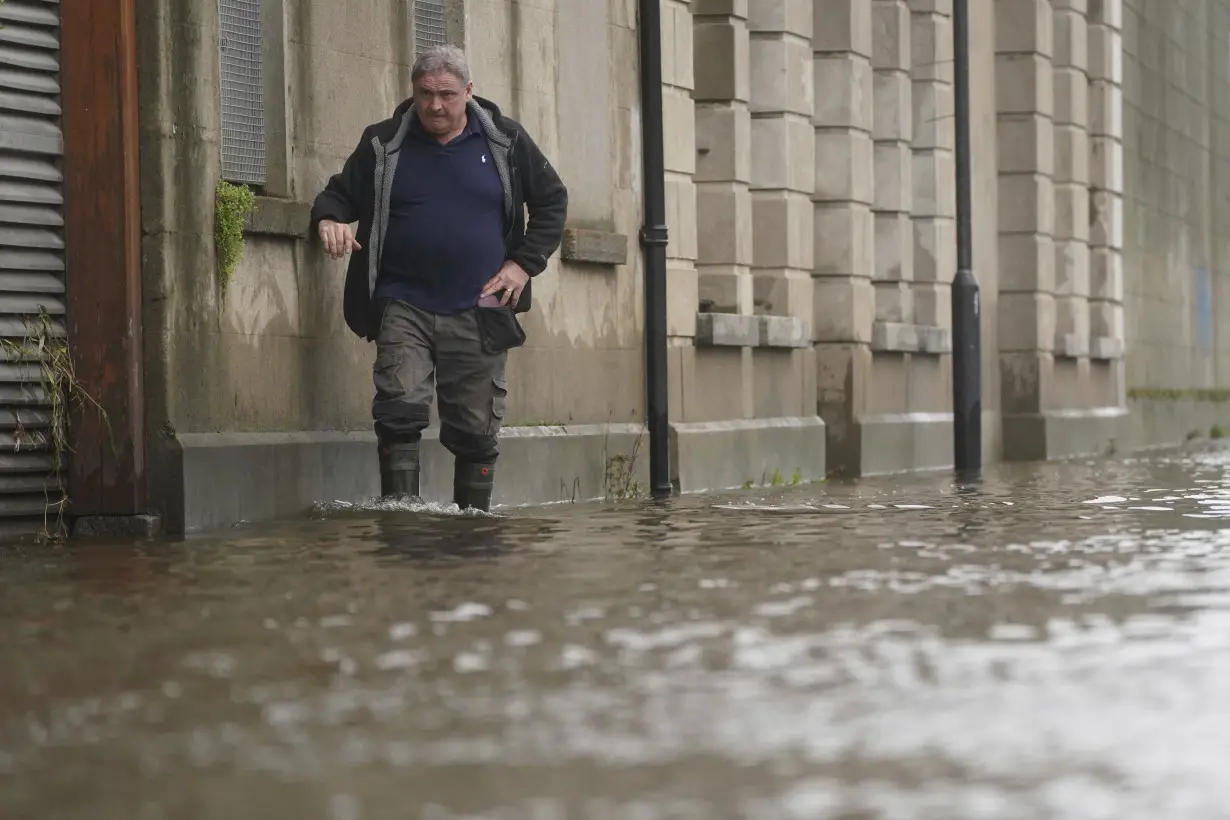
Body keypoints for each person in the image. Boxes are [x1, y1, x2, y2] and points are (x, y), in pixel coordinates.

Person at [310, 45, 568, 512]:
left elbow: (552, 200)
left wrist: (523, 264)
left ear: (469, 92)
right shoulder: (382, 143)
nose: (434, 105)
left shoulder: (506, 142)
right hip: (402, 300)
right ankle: (401, 520)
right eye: (425, 93)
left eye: (447, 94)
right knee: (399, 408)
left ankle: (471, 531)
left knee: (475, 429)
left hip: (482, 305)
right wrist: (330, 219)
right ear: (413, 91)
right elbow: (339, 194)